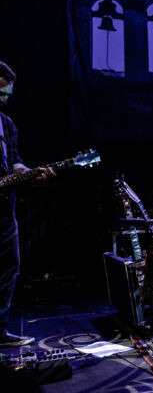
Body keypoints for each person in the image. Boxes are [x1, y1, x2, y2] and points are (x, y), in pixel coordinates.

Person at [0, 61, 54, 347]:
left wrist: (29, 172)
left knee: (9, 267)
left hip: (4, 214)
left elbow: (15, 162)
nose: (4, 99)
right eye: (0, 93)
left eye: (8, 93)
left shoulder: (6, 125)